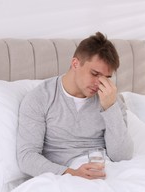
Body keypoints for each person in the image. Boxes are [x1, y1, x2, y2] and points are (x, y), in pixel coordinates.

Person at [17, 32, 133, 180]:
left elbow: (122, 156)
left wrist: (110, 108)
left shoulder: (110, 100)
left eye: (106, 78)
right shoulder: (40, 98)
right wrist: (72, 173)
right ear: (75, 64)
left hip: (106, 173)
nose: (100, 83)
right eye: (94, 74)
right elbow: (27, 157)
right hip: (63, 177)